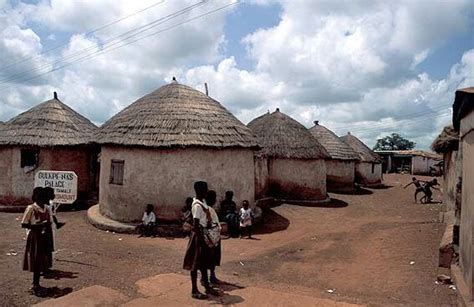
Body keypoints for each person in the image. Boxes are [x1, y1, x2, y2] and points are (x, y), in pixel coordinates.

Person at [183, 181, 218, 299]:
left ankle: (207, 286)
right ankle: (194, 290)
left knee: (203, 262)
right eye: (206, 189)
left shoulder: (202, 202)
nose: (207, 191)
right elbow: (196, 224)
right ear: (200, 191)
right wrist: (202, 240)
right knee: (195, 262)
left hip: (203, 235)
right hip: (198, 237)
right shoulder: (197, 206)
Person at [21, 187, 54, 296]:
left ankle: (37, 284)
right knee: (35, 260)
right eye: (45, 197)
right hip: (35, 237)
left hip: (44, 237)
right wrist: (38, 226)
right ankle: (34, 285)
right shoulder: (31, 208)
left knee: (42, 260)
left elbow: (49, 222)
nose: (47, 200)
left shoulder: (46, 208)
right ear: (38, 198)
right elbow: (24, 224)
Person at [201, 190, 222, 286]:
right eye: (213, 198)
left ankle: (212, 276)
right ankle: (206, 278)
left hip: (214, 237)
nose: (215, 200)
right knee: (208, 258)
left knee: (213, 258)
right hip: (209, 238)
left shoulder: (210, 209)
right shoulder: (206, 210)